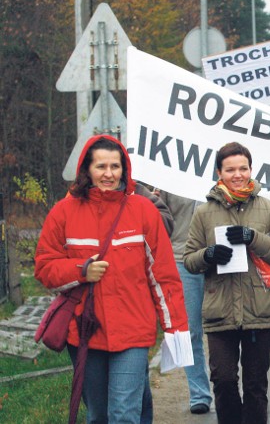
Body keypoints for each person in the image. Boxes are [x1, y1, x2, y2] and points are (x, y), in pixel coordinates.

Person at [34, 135, 189, 423]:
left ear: (125, 169)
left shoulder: (143, 210)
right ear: (87, 170)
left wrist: (175, 328)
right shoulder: (63, 212)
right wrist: (80, 270)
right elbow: (44, 268)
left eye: (115, 166)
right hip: (84, 331)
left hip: (133, 330)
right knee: (99, 416)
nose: (109, 174)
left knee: (124, 415)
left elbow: (164, 277)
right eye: (101, 166)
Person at [183, 141, 270, 424]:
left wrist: (254, 238)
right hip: (220, 309)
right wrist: (207, 255)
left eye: (243, 168)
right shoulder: (204, 212)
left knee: (257, 385)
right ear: (219, 173)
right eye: (230, 169)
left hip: (260, 311)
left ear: (251, 170)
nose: (238, 174)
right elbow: (189, 260)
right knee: (223, 380)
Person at [157, 191, 213, 414]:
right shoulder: (170, 178)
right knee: (190, 330)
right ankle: (199, 393)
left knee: (227, 327)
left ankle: (229, 390)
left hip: (220, 258)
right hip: (181, 258)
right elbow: (161, 221)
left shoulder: (223, 168)